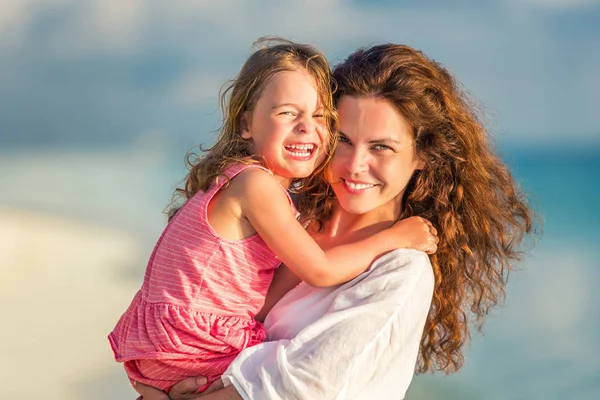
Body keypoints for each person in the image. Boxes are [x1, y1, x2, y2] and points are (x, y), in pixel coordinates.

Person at [135, 42, 534, 399]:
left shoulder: (400, 269)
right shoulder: (289, 220)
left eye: (381, 147)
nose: (356, 166)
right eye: (343, 139)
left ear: (422, 157)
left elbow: (301, 387)